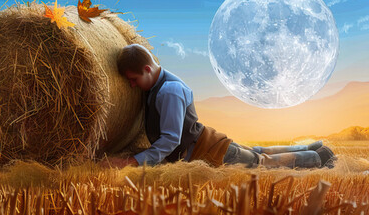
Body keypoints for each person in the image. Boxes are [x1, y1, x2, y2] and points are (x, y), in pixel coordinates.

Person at [100, 44, 336, 169]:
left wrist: (131, 162)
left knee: (261, 163)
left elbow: (171, 140)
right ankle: (312, 147)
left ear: (148, 70)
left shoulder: (169, 91)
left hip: (209, 152)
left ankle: (320, 157)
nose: (131, 86)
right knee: (258, 152)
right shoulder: (158, 84)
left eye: (133, 79)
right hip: (209, 142)